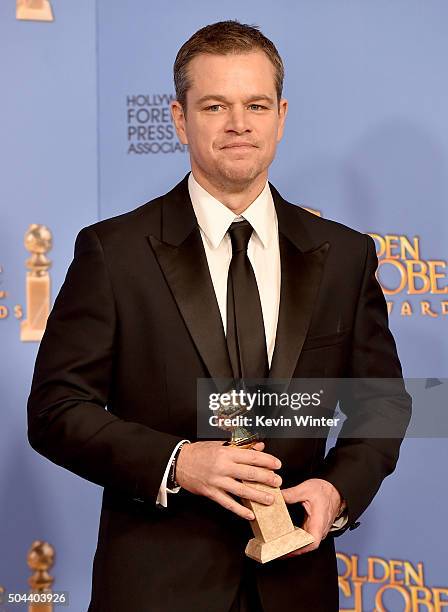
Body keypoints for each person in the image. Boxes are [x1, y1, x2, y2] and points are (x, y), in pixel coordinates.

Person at [27, 20, 411, 612]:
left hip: (297, 587)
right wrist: (178, 462)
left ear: (281, 115)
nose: (239, 124)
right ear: (180, 119)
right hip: (155, 588)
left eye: (256, 104)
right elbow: (55, 410)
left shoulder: (346, 255)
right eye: (214, 105)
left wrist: (338, 490)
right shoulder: (114, 252)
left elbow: (383, 399)